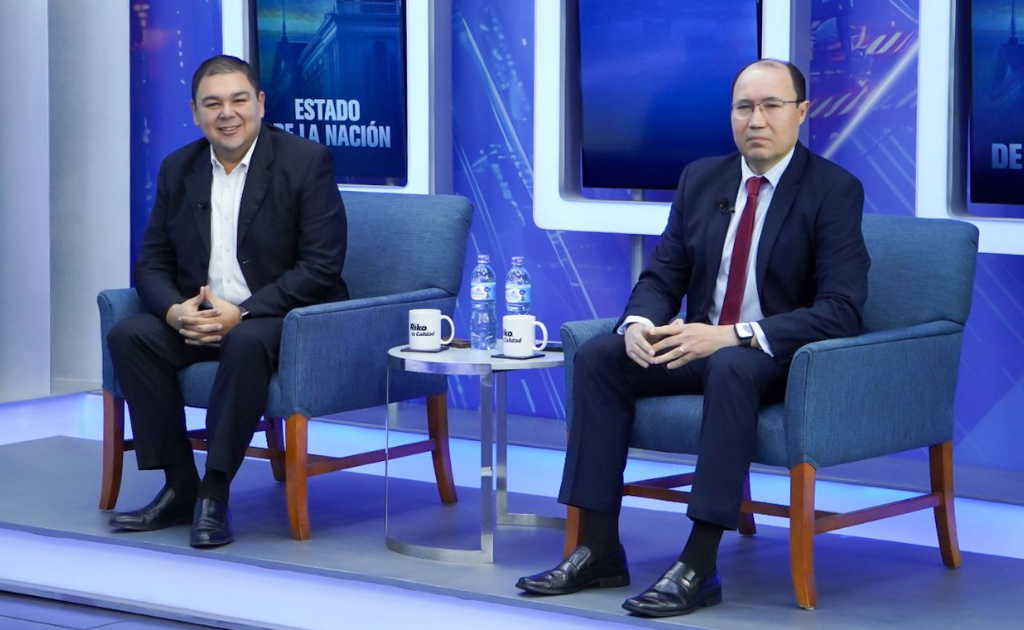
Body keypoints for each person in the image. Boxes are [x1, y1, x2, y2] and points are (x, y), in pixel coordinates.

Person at [517, 60, 870, 617]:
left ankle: (699, 564)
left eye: (771, 106)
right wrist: (638, 324)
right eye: (744, 107)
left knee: (731, 364)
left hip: (777, 355)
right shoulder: (701, 179)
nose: (756, 120)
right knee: (601, 355)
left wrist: (733, 335)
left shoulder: (833, 190)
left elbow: (841, 310)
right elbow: (664, 275)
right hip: (697, 343)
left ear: (801, 112)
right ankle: (598, 547)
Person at [106, 55, 348, 548]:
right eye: (212, 103)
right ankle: (179, 485)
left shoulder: (305, 161)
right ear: (195, 112)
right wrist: (175, 312)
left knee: (246, 342)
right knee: (131, 334)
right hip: (201, 318)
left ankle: (214, 493)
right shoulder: (179, 168)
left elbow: (322, 267)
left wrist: (244, 311)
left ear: (260, 103)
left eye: (239, 100)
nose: (227, 113)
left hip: (279, 317)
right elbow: (151, 265)